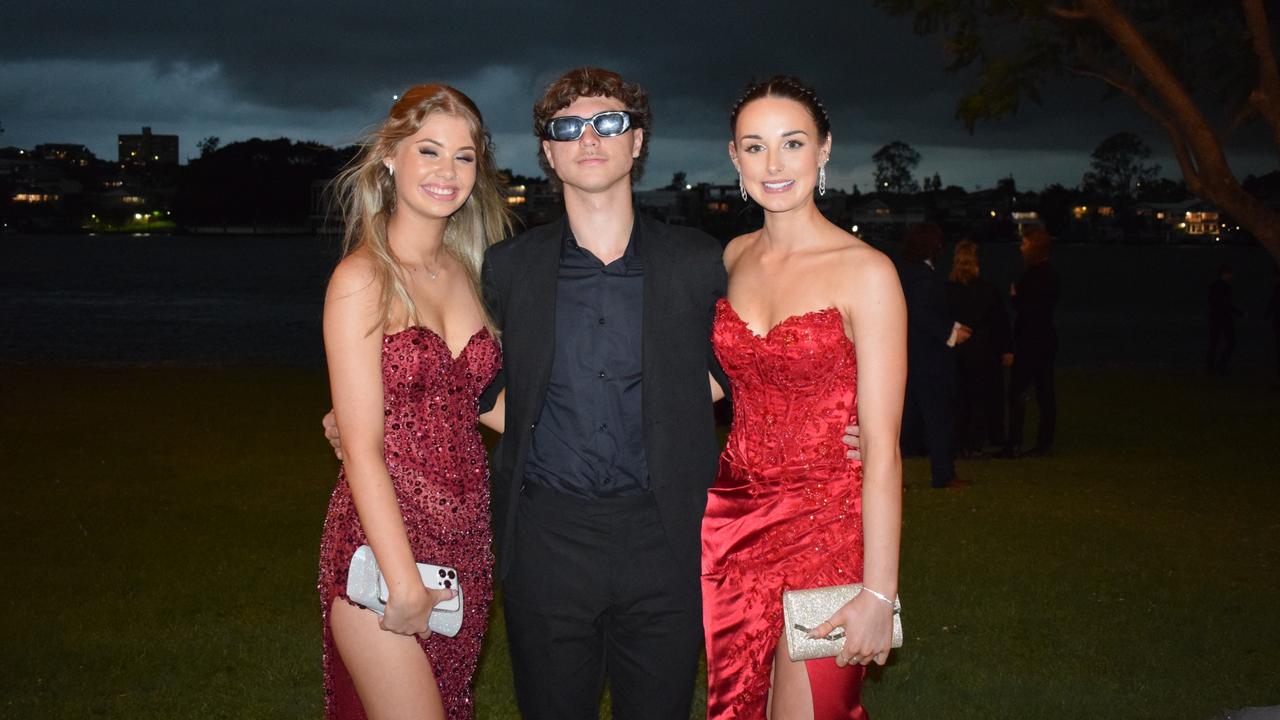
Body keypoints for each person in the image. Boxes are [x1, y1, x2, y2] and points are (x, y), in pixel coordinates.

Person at [702, 75, 905, 719]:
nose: (774, 163)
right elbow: (708, 383)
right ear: (734, 159)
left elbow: (882, 449)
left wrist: (879, 593)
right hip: (733, 520)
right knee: (738, 708)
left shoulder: (866, 271)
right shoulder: (731, 256)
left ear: (822, 151)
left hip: (830, 521)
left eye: (792, 143)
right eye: (754, 146)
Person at [316, 84, 512, 720]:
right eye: (429, 151)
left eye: (464, 156)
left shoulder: (470, 274)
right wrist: (402, 583)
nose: (447, 172)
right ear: (390, 158)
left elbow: (494, 408)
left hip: (466, 548)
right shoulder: (362, 279)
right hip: (381, 548)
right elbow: (363, 448)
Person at [897, 223, 970, 487]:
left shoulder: (904, 272)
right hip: (929, 361)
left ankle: (894, 478)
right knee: (938, 419)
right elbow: (922, 313)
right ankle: (944, 475)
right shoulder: (924, 277)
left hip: (908, 358)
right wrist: (952, 334)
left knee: (905, 423)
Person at [946, 239, 1013, 457]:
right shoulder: (988, 290)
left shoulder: (948, 291)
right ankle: (978, 439)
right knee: (982, 398)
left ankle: (960, 440)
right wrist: (1007, 349)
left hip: (958, 351)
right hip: (984, 351)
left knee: (960, 398)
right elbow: (1001, 322)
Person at [1003, 227, 1059, 458]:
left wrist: (1015, 296)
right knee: (1045, 392)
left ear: (1034, 246)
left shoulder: (1035, 274)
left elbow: (1027, 308)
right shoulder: (1051, 273)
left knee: (1018, 390)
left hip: (1030, 340)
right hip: (1046, 338)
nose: (1021, 247)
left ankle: (1015, 441)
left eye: (1025, 243)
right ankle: (1043, 442)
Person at [1207, 264, 1242, 373]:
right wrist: (1238, 312)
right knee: (1231, 341)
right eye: (1229, 273)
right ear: (1225, 274)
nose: (1231, 275)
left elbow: (1213, 302)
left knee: (1214, 342)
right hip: (1224, 318)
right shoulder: (1226, 287)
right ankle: (1221, 365)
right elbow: (1226, 303)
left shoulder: (1213, 286)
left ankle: (1211, 366)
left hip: (1214, 317)